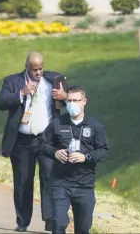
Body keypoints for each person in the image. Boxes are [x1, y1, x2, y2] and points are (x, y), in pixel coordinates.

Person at [0, 52, 68, 232]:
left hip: (47, 140)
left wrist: (64, 96)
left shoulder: (54, 80)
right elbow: (1, 102)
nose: (38, 72)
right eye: (34, 69)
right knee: (22, 182)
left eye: (41, 68)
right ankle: (22, 221)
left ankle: (50, 219)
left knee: (50, 178)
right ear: (27, 67)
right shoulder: (12, 81)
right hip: (22, 141)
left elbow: (74, 99)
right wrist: (21, 93)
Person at [41, 86, 110, 234]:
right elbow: (42, 144)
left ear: (84, 101)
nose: (72, 104)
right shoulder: (57, 123)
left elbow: (104, 151)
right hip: (61, 183)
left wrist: (86, 157)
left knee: (83, 228)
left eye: (76, 100)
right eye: (69, 100)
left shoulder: (95, 125)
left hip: (84, 184)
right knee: (58, 224)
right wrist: (55, 153)